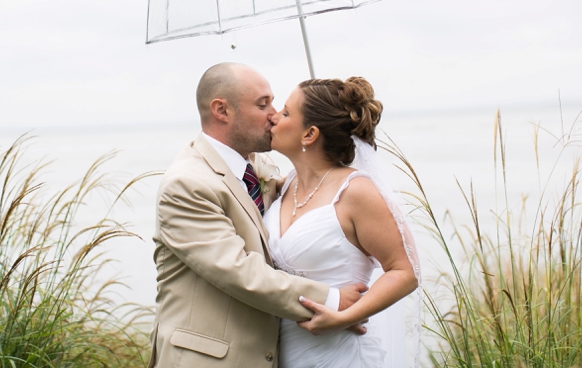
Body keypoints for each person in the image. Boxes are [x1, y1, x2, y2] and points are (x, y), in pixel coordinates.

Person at [149, 63, 367, 368]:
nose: (274, 115)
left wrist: (328, 151)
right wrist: (332, 301)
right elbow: (240, 272)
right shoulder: (187, 184)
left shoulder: (257, 167)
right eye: (263, 104)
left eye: (275, 104)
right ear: (221, 110)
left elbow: (301, 205)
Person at [265, 76, 422, 368]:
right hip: (286, 352)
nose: (274, 117)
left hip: (340, 353)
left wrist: (344, 316)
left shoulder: (356, 191)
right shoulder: (285, 185)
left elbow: (405, 270)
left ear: (309, 134)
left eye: (286, 113)